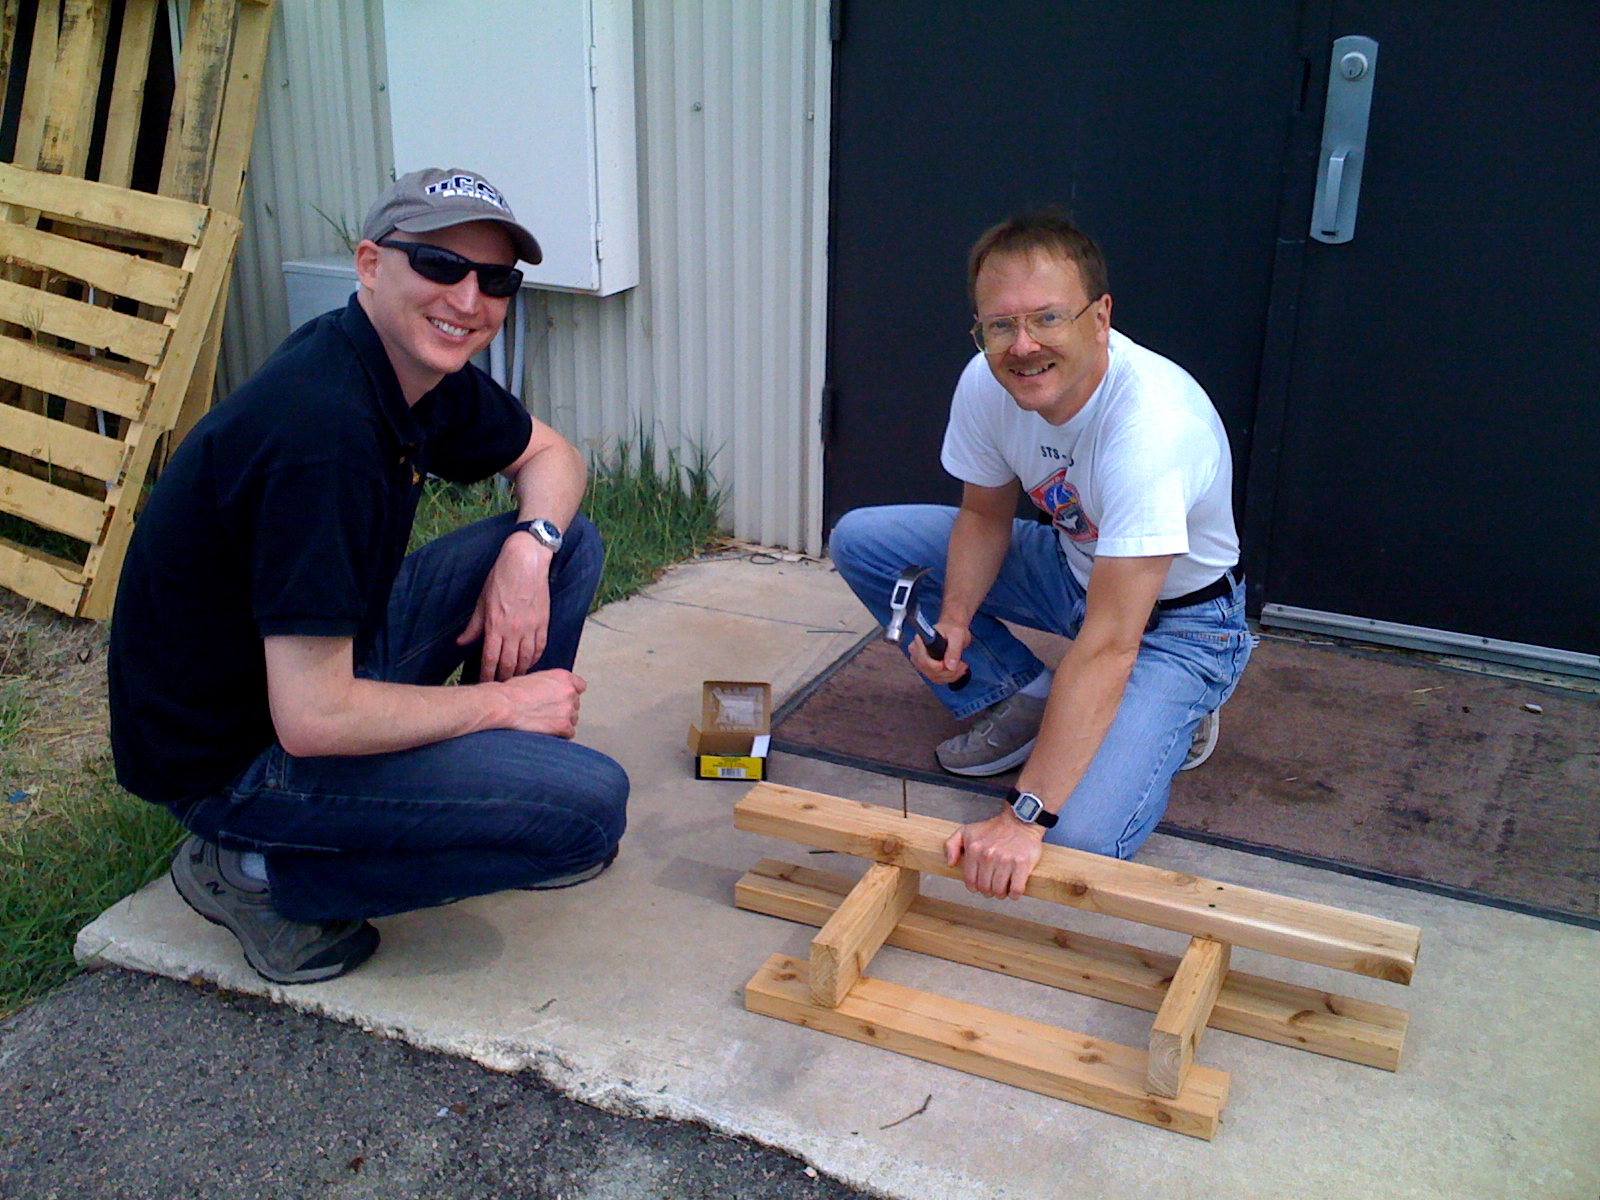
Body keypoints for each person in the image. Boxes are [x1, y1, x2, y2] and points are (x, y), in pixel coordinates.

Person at [108, 168, 629, 984]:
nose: (468, 299)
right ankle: (260, 874)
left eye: (495, 280)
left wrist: (530, 550)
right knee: (586, 815)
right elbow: (313, 719)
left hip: (307, 676)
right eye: (439, 265)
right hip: (236, 759)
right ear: (370, 265)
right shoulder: (322, 435)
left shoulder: (410, 371)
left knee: (570, 545)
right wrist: (504, 706)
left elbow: (552, 456)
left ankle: (483, 791)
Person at [830, 209, 1251, 900]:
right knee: (865, 543)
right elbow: (983, 514)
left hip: (1176, 625)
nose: (1023, 346)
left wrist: (1023, 817)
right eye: (1001, 325)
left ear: (1099, 316)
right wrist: (955, 620)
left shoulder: (1153, 427)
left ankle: (1176, 707)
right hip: (1071, 567)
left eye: (1047, 318)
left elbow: (1111, 644)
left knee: (1072, 843)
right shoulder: (986, 382)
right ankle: (1025, 697)